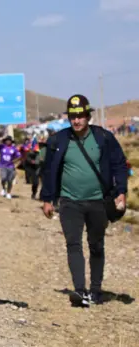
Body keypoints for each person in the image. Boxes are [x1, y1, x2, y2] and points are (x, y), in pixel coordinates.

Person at [41, 94, 128, 307]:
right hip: (70, 202)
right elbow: (49, 170)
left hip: (98, 201)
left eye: (80, 116)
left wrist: (121, 191)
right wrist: (47, 199)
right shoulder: (58, 141)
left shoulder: (104, 138)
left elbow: (119, 164)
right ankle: (80, 291)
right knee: (73, 243)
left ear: (88, 116)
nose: (77, 120)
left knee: (96, 245)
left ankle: (96, 290)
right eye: (73, 116)